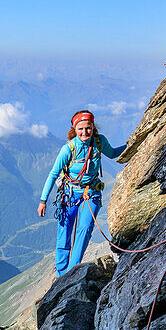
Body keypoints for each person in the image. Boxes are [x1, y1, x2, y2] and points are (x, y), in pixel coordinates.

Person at [38, 110, 126, 275]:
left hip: (91, 192)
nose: (85, 132)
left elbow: (113, 153)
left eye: (88, 128)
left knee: (84, 229)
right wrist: (43, 200)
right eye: (81, 129)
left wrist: (134, 143)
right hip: (69, 194)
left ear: (93, 127)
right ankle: (61, 273)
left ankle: (72, 271)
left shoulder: (99, 142)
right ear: (74, 130)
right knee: (64, 232)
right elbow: (53, 174)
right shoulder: (68, 149)